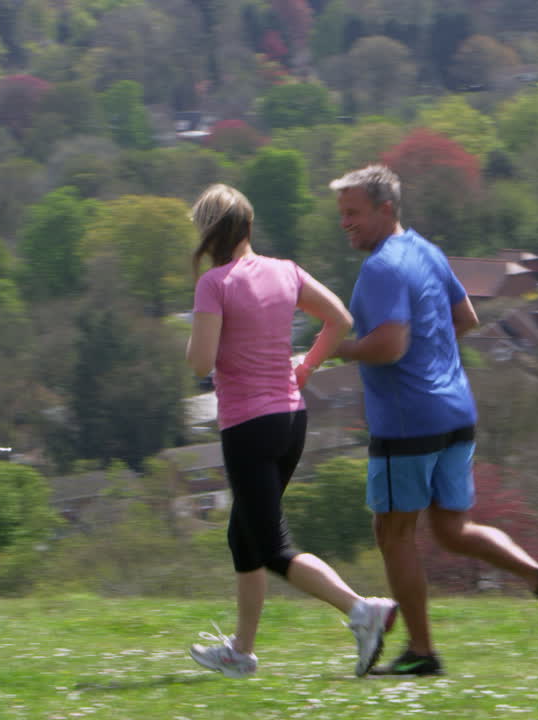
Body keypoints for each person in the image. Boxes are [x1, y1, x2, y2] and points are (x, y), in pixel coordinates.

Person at [328, 165, 538, 676]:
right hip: (454, 410)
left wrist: (338, 347)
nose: (346, 224)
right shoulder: (426, 251)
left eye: (353, 214)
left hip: (407, 422)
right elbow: (465, 317)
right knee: (451, 528)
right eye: (342, 215)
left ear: (386, 209)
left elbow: (390, 344)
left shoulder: (381, 268)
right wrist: (432, 363)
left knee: (392, 534)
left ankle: (421, 652)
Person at [184, 183, 398, 678]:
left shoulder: (214, 284)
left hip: (248, 427)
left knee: (273, 546)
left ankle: (363, 611)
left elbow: (200, 361)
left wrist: (197, 338)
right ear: (249, 226)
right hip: (290, 419)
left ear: (210, 233)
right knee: (245, 536)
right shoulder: (286, 271)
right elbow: (339, 319)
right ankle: (241, 650)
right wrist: (306, 369)